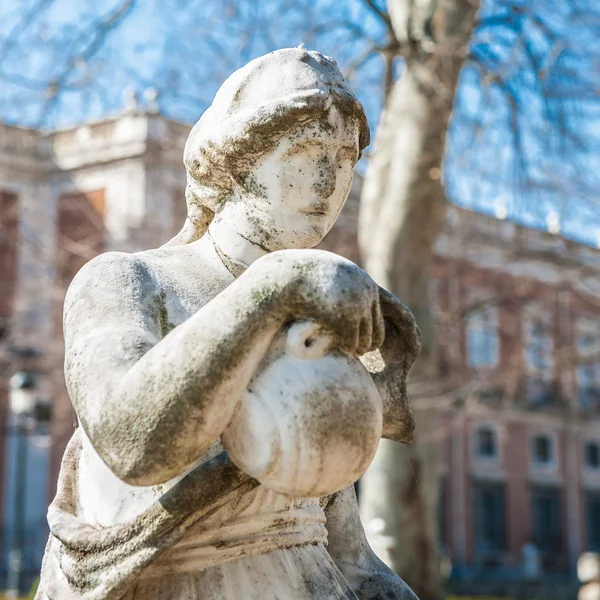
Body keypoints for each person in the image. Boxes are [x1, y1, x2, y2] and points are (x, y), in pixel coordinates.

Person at [36, 48, 420, 600]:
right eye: (307, 149)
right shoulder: (127, 281)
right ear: (235, 162)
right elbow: (133, 444)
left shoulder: (315, 314)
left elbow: (347, 556)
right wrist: (270, 287)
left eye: (344, 158)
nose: (327, 180)